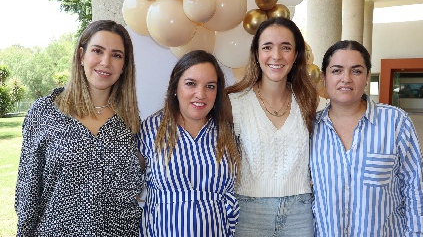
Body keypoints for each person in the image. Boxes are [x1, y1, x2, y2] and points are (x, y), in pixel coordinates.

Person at [15, 20, 143, 236]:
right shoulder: (45, 112)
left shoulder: (129, 121)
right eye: (97, 51)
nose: (106, 62)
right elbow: (27, 193)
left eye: (116, 55)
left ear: (124, 66)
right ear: (81, 56)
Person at [310, 40, 423, 236]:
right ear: (324, 77)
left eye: (356, 71)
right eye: (336, 70)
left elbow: (416, 191)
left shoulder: (395, 122)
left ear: (367, 77)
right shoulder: (311, 128)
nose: (346, 78)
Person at [226, 17, 318, 236]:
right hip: (248, 212)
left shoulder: (311, 102)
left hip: (300, 212)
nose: (276, 56)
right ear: (257, 54)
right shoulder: (233, 103)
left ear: (296, 56)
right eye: (267, 47)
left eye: (286, 47)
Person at [137, 50, 240, 236]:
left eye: (210, 86)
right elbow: (129, 185)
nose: (200, 94)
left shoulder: (228, 133)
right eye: (191, 84)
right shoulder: (151, 129)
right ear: (175, 87)